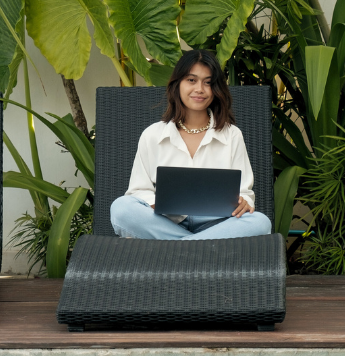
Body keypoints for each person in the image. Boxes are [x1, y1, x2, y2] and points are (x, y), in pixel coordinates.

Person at [110, 49, 272, 241]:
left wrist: (244, 202)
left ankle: (177, 248)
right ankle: (196, 248)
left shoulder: (232, 135)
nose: (200, 89)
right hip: (166, 221)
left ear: (216, 89)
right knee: (121, 209)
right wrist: (155, 204)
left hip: (217, 223)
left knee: (261, 222)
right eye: (191, 80)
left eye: (208, 82)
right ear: (178, 84)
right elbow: (138, 191)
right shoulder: (153, 134)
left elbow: (244, 191)